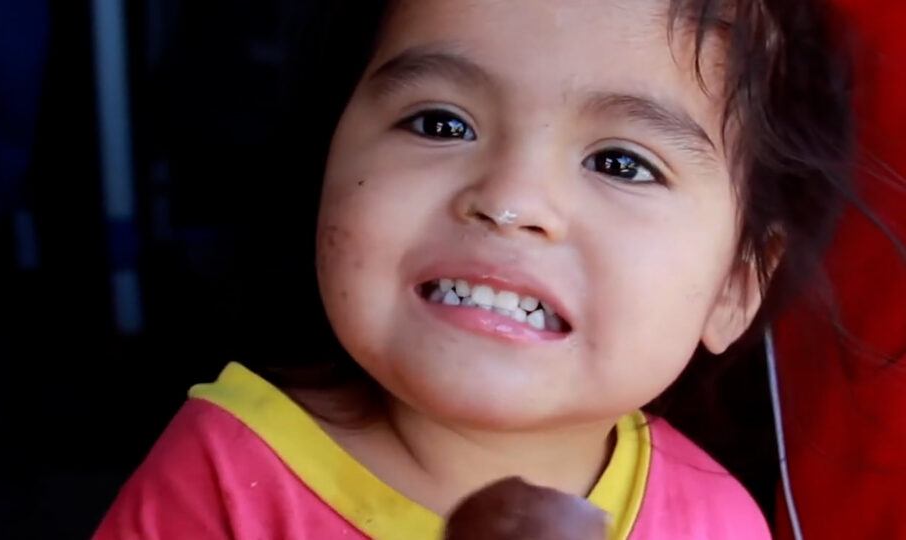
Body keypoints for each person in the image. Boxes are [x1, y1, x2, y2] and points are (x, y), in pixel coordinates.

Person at [94, 0, 855, 538]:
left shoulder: (715, 520)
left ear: (734, 287)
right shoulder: (223, 478)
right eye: (439, 122)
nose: (510, 200)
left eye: (622, 163)